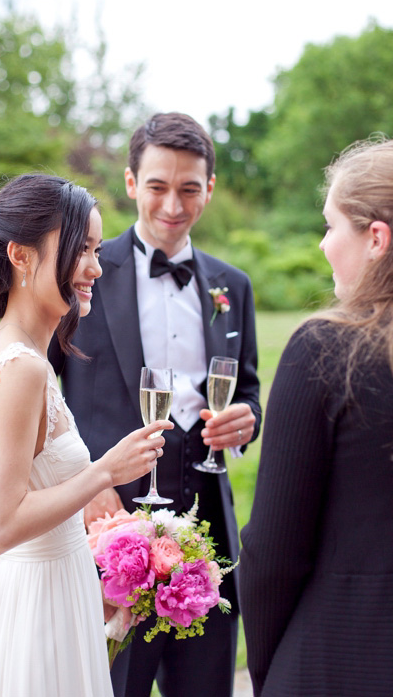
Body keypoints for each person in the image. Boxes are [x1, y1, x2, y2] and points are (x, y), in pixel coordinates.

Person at [0, 173, 172, 696]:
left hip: (54, 590)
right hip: (37, 607)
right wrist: (104, 472)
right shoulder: (21, 368)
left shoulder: (16, 356)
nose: (94, 267)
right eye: (79, 249)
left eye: (96, 249)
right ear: (21, 256)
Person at [49, 113, 261, 697]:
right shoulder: (82, 275)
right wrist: (88, 483)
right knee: (115, 686)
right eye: (158, 186)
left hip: (209, 529)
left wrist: (247, 420)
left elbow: (246, 388)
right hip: (112, 523)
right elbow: (40, 394)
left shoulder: (232, 286)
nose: (173, 204)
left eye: (190, 188)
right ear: (130, 183)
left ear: (210, 188)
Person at [240, 138, 393, 696]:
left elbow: (273, 554)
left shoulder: (324, 350)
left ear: (375, 237)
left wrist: (273, 672)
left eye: (331, 226)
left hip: (336, 660)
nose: (324, 244)